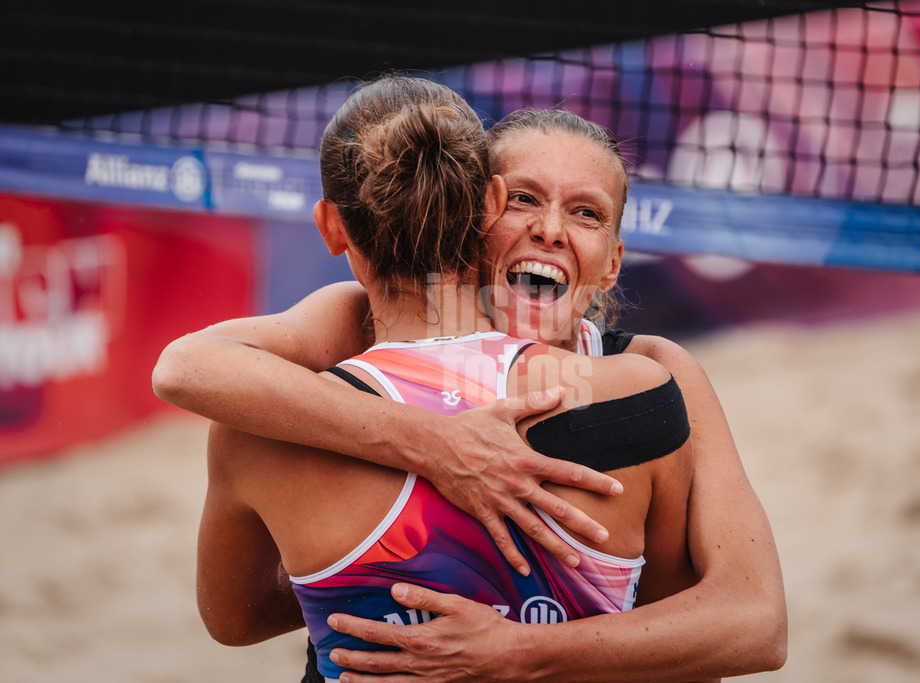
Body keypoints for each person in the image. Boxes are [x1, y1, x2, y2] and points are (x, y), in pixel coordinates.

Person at [153, 105, 787, 679]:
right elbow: (188, 367)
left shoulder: (654, 372)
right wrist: (434, 451)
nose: (550, 230)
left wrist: (516, 650)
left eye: (585, 212)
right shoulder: (356, 319)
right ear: (477, 212)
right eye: (524, 200)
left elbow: (755, 623)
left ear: (612, 262)